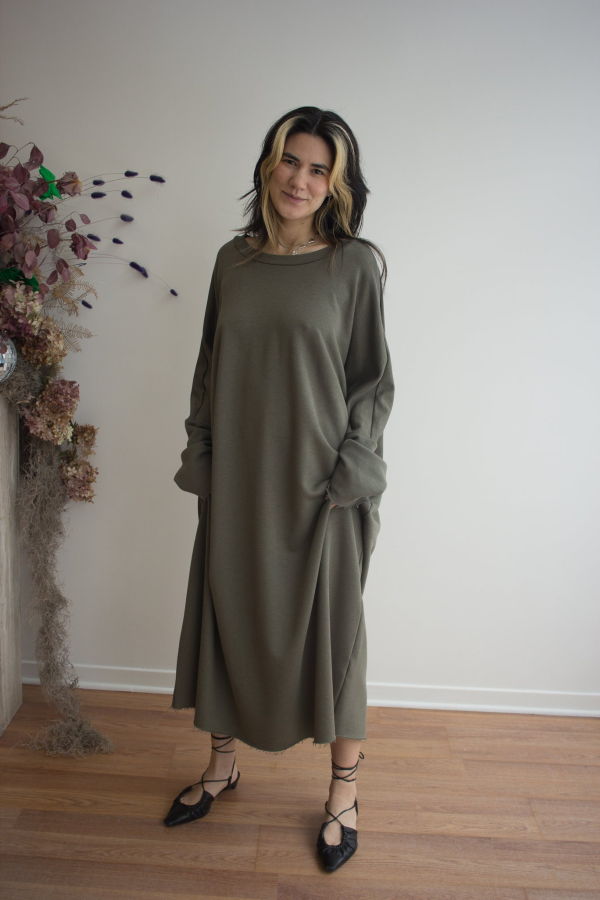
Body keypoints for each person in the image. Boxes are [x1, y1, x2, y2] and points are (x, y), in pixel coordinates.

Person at [164, 106, 395, 873]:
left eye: (319, 169)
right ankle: (222, 765)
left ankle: (344, 795)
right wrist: (202, 455)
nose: (301, 179)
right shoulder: (233, 262)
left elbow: (371, 383)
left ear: (337, 185)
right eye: (291, 160)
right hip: (237, 481)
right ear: (269, 163)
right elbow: (209, 367)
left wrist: (351, 473)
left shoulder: (352, 266)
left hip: (323, 492)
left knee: (337, 641)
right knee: (227, 619)